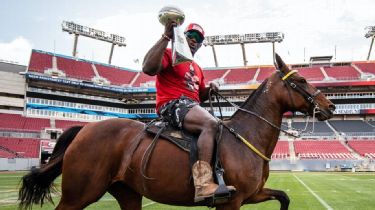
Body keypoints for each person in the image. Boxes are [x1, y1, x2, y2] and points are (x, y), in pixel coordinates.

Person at [142, 21, 235, 202]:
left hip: (191, 106)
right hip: (172, 105)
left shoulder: (198, 69)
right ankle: (203, 184)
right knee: (210, 123)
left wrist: (210, 89)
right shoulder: (169, 54)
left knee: (220, 128)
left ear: (200, 44)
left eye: (198, 39)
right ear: (182, 38)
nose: (193, 41)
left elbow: (199, 95)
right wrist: (165, 37)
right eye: (190, 36)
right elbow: (148, 68)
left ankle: (218, 177)